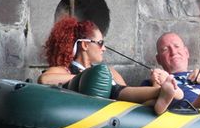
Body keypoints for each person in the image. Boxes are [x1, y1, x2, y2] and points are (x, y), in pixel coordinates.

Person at [38, 16, 181, 114]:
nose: (104, 48)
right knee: (111, 85)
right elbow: (44, 79)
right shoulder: (66, 69)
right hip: (97, 109)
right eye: (100, 43)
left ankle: (160, 93)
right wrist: (86, 77)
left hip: (119, 106)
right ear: (85, 45)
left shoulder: (109, 71)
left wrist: (155, 80)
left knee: (132, 95)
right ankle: (162, 92)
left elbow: (128, 94)